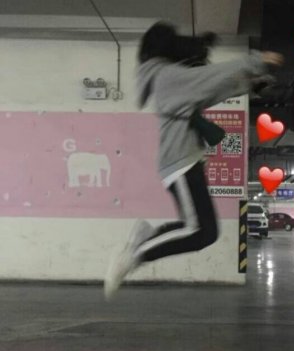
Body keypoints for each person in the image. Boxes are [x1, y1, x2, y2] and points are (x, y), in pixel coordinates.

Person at [104, 21, 284, 300]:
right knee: (201, 231)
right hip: (180, 163)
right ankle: (136, 255)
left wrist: (251, 85)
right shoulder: (167, 76)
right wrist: (255, 61)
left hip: (183, 162)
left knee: (201, 230)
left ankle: (145, 239)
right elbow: (211, 77)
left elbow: (210, 89)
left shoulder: (164, 75)